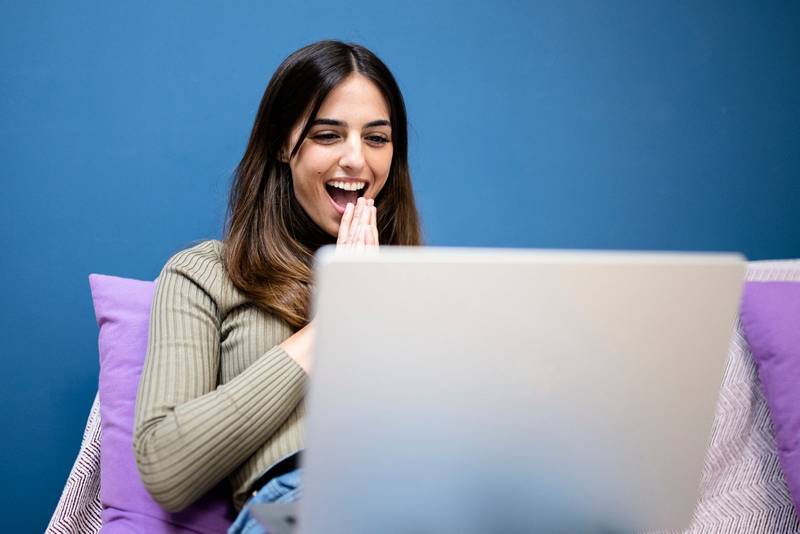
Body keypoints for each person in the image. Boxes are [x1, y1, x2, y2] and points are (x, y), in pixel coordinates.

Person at [132, 39, 423, 533]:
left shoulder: (425, 287)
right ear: (283, 144)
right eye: (328, 135)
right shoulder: (207, 273)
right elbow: (167, 467)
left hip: (426, 496)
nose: (357, 160)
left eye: (377, 139)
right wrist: (335, 318)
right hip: (302, 503)